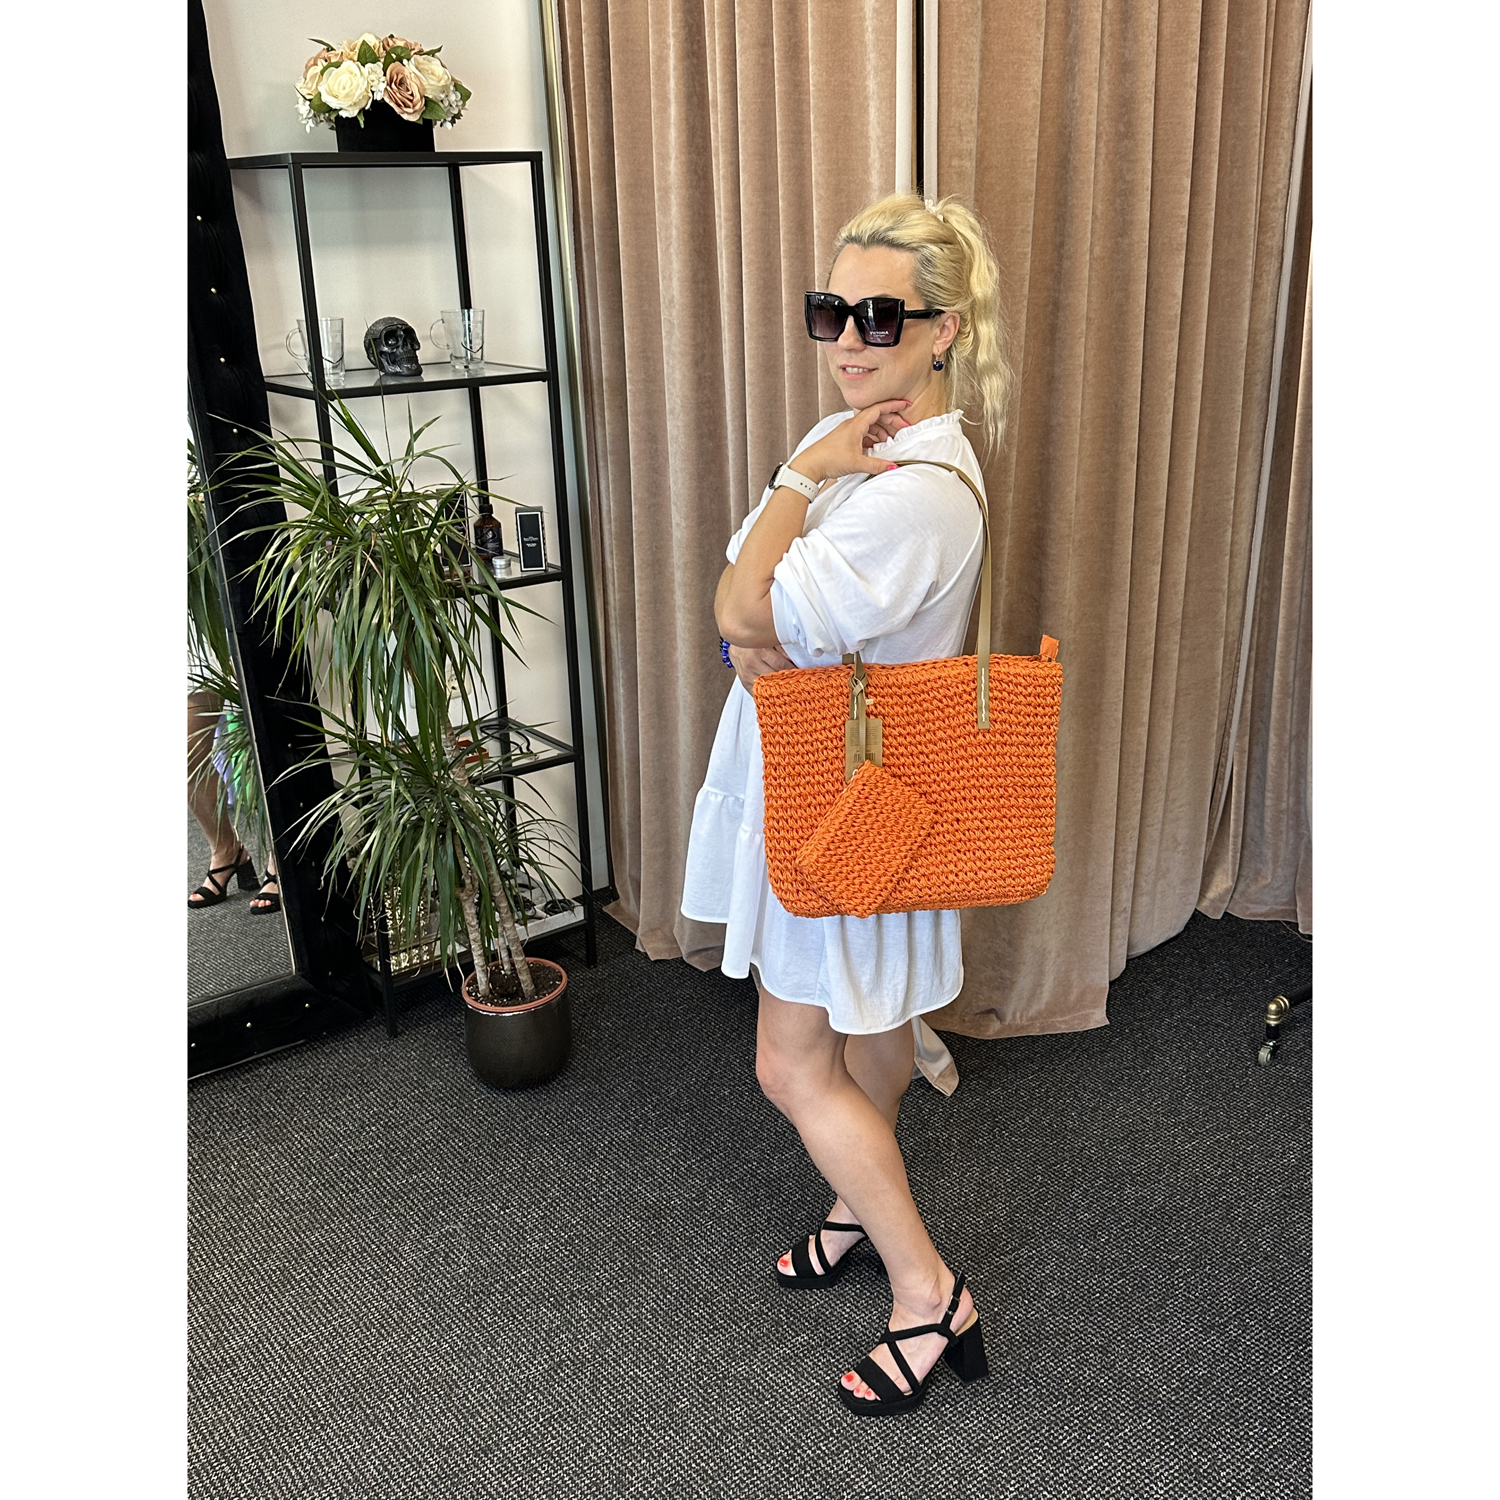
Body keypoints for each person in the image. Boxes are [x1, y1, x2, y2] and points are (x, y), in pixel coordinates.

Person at [680, 192, 1012, 1415]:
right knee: (872, 1029)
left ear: (944, 330)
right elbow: (743, 592)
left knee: (789, 1065)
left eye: (882, 315)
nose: (849, 339)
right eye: (833, 310)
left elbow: (739, 603)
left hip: (845, 802)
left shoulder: (913, 488)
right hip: (849, 789)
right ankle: (855, 1207)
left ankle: (929, 1293)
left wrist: (791, 483)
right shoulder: (854, 442)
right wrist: (794, 507)